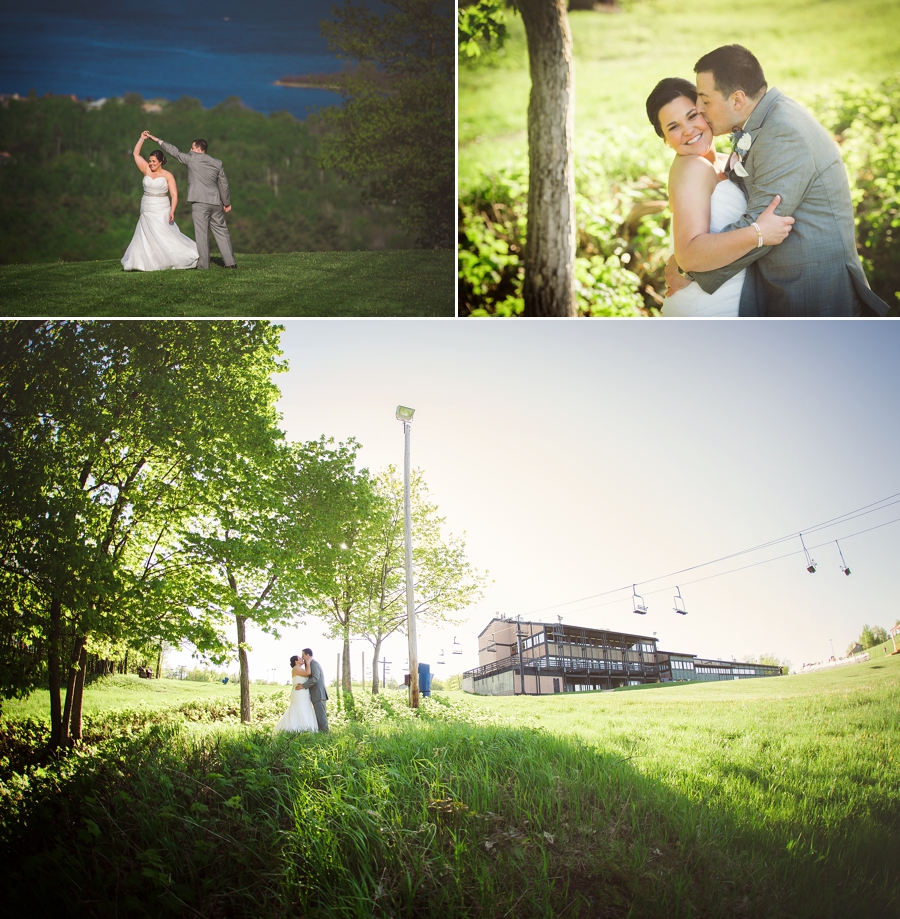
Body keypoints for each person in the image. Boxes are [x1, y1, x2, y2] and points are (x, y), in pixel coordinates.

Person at [664, 45, 888, 316]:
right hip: (781, 287)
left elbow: (761, 225)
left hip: (811, 289)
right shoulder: (764, 120)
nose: (699, 108)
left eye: (705, 100)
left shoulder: (783, 134)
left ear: (737, 100)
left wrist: (689, 270)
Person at [645, 77, 794, 316]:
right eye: (673, 127)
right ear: (665, 139)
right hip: (705, 306)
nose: (688, 130)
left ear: (705, 110)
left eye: (692, 116)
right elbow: (688, 254)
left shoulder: (725, 161)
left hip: (733, 298)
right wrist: (758, 233)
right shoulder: (691, 167)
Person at [145, 131, 236, 270]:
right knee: (222, 231)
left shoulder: (192, 158)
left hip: (199, 202)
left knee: (202, 234)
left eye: (192, 148)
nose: (190, 150)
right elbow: (224, 184)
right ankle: (231, 263)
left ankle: (204, 266)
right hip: (215, 201)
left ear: (198, 149)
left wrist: (157, 140)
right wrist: (226, 202)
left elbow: (174, 151)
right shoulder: (217, 163)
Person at [121, 133, 199, 271]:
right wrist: (141, 139)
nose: (151, 163)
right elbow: (136, 154)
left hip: (162, 207)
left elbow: (174, 195)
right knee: (145, 233)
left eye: (153, 161)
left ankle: (176, 256)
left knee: (162, 233)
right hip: (147, 205)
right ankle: (143, 261)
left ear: (161, 161)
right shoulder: (146, 169)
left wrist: (172, 211)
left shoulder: (168, 175)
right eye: (150, 161)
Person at [274, 655, 319, 733]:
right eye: (300, 658)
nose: (302, 659)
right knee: (299, 707)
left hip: (304, 692)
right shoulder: (296, 668)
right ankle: (295, 727)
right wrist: (308, 662)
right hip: (299, 693)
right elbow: (308, 673)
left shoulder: (300, 669)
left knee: (305, 708)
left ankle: (306, 727)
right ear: (296, 661)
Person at [296, 648, 329, 733]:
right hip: (316, 695)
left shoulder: (314, 664)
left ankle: (326, 735)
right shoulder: (310, 665)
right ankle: (322, 735)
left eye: (303, 655)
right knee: (318, 717)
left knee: (321, 717)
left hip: (319, 694)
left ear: (308, 655)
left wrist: (303, 686)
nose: (302, 657)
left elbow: (315, 678)